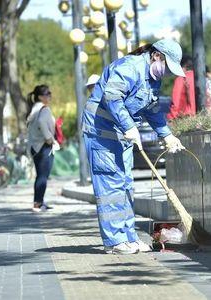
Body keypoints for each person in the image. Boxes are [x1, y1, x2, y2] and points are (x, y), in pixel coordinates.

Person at [81, 39, 186, 255]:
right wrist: (129, 126)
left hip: (122, 135)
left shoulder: (153, 79)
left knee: (126, 185)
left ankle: (129, 237)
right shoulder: (130, 67)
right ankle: (114, 242)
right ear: (157, 55)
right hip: (102, 133)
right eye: (167, 67)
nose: (166, 73)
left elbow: (152, 108)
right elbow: (112, 96)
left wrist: (166, 135)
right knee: (111, 187)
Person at [26, 85, 58, 212]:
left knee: (40, 175)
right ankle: (39, 203)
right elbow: (41, 123)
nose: (49, 96)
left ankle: (38, 202)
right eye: (47, 94)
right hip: (44, 146)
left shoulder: (34, 109)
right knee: (43, 176)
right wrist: (49, 138)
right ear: (40, 97)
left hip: (34, 146)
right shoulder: (44, 110)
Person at [166, 55, 196, 120]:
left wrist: (172, 118)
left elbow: (176, 102)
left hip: (186, 118)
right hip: (201, 117)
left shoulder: (181, 79)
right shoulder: (200, 78)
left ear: (182, 67)